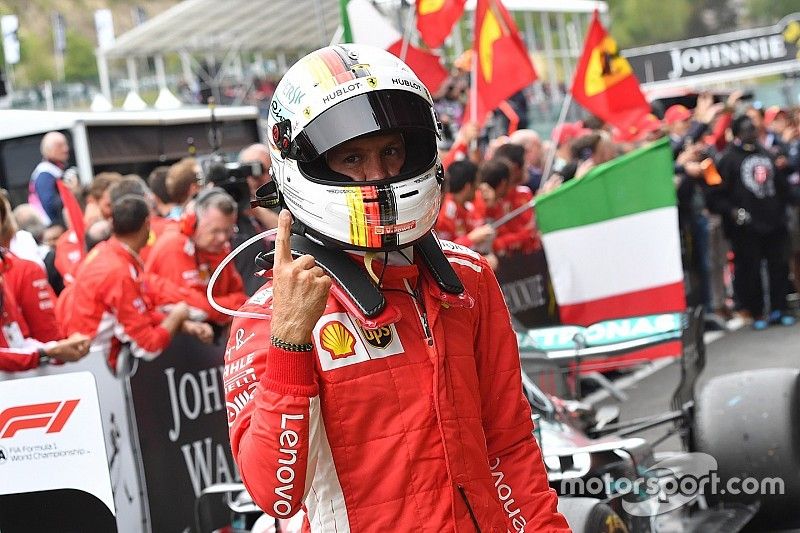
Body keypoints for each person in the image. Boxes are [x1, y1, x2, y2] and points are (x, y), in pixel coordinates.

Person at [224, 44, 568, 531]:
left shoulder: (467, 276)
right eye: (352, 157)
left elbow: (510, 448)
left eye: (390, 150)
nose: (379, 175)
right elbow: (275, 494)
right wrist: (289, 342)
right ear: (305, 162)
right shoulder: (268, 312)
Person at [59, 195, 213, 373]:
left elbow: (139, 314)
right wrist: (177, 316)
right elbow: (148, 347)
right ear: (147, 224)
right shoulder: (119, 271)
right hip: (102, 373)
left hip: (89, 362)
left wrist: (185, 326)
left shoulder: (105, 252)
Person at [708, 115, 798, 329]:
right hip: (746, 226)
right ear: (737, 132)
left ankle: (779, 308)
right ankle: (757, 312)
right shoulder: (728, 159)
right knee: (751, 269)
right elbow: (716, 195)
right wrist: (732, 212)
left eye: (753, 128)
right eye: (747, 129)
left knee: (779, 266)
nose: (751, 133)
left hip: (774, 221)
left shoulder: (766, 153)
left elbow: (782, 186)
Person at [145, 188, 247, 324]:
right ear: (192, 222)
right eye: (215, 231)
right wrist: (227, 306)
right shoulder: (173, 246)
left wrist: (215, 307)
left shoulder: (220, 248)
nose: (222, 238)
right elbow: (193, 307)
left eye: (228, 230)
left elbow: (240, 297)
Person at [28, 131, 71, 227]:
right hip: (51, 226)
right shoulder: (45, 173)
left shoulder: (55, 170)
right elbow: (50, 204)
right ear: (48, 149)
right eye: (60, 146)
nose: (66, 149)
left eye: (66, 144)